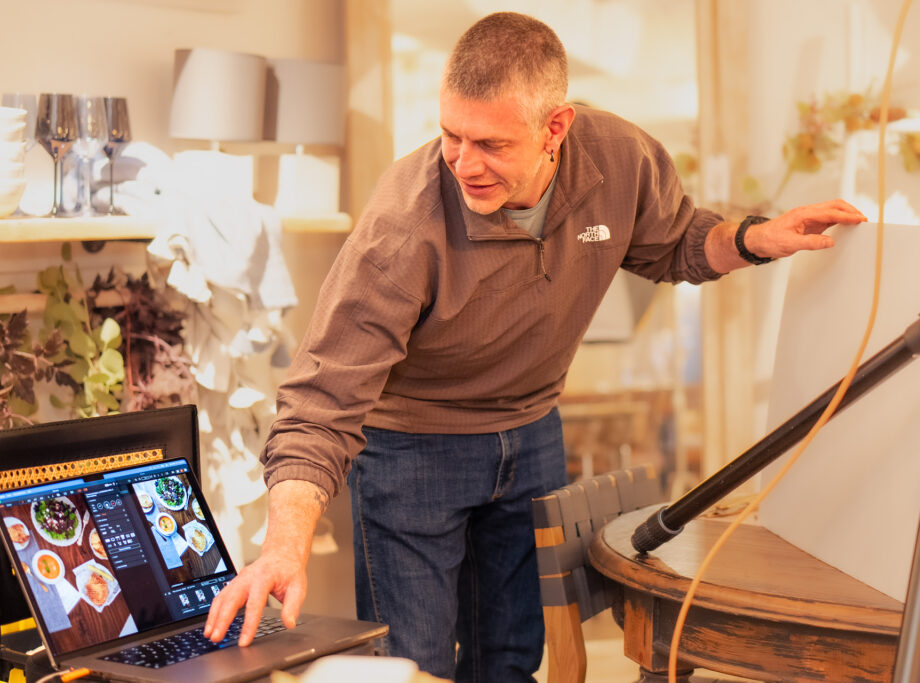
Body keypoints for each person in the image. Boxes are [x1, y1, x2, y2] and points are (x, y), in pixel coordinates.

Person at [205, 11, 867, 682]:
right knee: (412, 666)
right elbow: (321, 397)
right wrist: (283, 544)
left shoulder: (619, 160)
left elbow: (676, 241)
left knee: (512, 661)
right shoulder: (405, 224)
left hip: (531, 431)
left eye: (490, 143)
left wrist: (755, 237)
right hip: (412, 449)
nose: (464, 162)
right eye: (450, 136)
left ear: (557, 128)